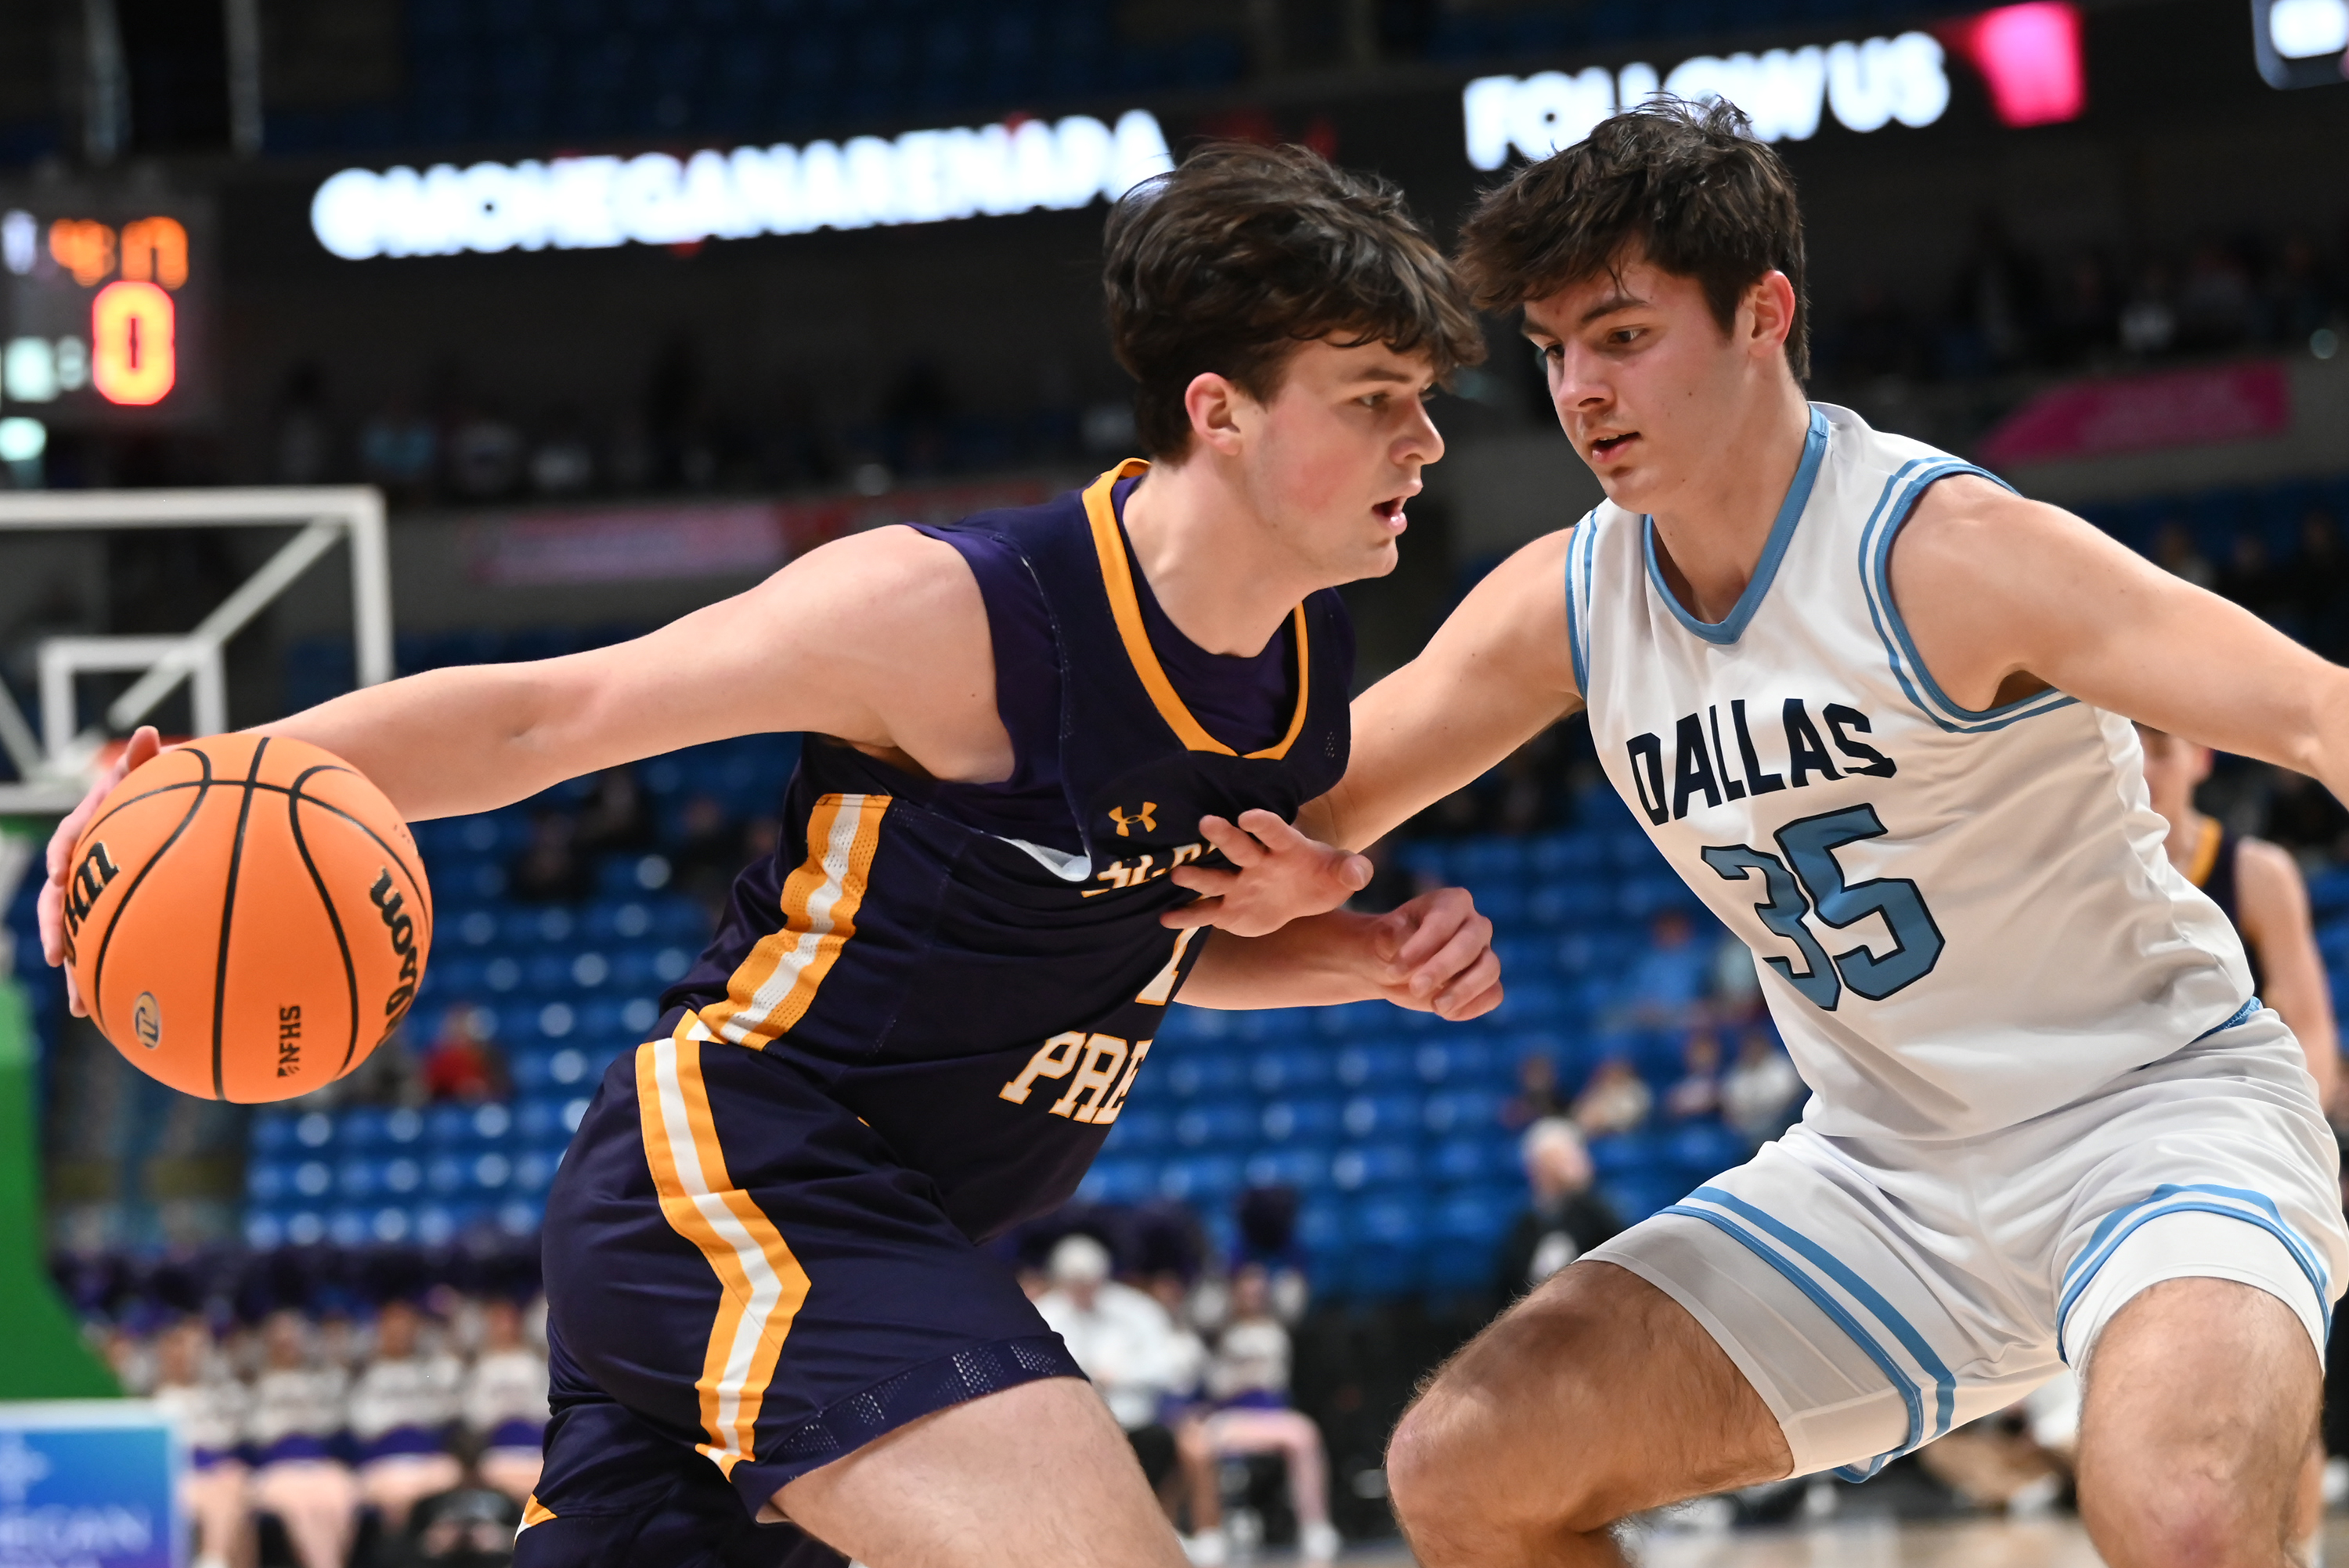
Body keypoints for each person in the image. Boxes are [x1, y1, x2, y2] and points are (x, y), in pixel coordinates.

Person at [43, 143, 1499, 1568]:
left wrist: (1351, 951)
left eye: (1424, 403)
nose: (1423, 442)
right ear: (1220, 412)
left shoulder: (1298, 666)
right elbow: (550, 718)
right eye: (1376, 401)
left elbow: (1124, 942)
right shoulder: (956, 614)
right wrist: (194, 792)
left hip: (882, 1223)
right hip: (744, 1173)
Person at [1173, 100, 2349, 1566]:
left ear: (1763, 314)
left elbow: (2317, 712)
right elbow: (1296, 814)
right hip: (1883, 1171)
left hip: (2153, 1121)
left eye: (1620, 334)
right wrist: (1291, 870)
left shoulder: (1943, 551)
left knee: (2179, 1516)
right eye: (1552, 352)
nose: (1581, 389)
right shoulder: (1568, 599)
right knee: (1463, 1464)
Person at [2137, 725, 2339, 1105]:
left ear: (2201, 758)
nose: (2143, 769)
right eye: (2128, 750)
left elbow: (2313, 1034)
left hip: (2235, 1105)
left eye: (2162, 751)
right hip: (2122, 1113)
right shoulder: (2080, 876)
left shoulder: (2258, 874)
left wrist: (2294, 1131)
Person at [1191, 1264, 1341, 1567]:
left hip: (1272, 1414)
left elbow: (1295, 1292)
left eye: (1259, 1290)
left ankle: (1315, 1525)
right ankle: (1209, 1531)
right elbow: (1214, 1380)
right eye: (1246, 1290)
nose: (1253, 1296)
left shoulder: (1276, 1325)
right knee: (1202, 1444)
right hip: (1232, 1413)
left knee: (1305, 1434)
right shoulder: (1219, 1329)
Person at [1032, 1235, 1190, 1504]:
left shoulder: (1138, 1310)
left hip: (1136, 1421)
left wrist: (1120, 1376)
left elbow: (1170, 1368)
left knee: (1161, 1444)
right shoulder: (1046, 1313)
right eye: (1075, 1284)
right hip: (1071, 1421)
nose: (1083, 1291)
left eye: (1089, 1283)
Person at [245, 1312, 363, 1568]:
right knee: (301, 1507)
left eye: (293, 1341)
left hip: (318, 1465)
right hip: (275, 1470)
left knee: (340, 1492)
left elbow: (340, 1424)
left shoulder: (320, 1382)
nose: (288, 1347)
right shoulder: (252, 1386)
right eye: (281, 1342)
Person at [350, 1298, 467, 1532]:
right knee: (398, 1492)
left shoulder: (424, 1371)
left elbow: (446, 1405)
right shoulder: (366, 1373)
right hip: (384, 1462)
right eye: (392, 1329)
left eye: (406, 1329)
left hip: (426, 1460)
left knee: (450, 1475)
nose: (400, 1335)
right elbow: (361, 1426)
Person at [152, 1319, 255, 1568]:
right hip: (177, 1479)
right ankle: (214, 1559)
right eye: (179, 1352)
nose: (187, 1358)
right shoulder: (155, 1401)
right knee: (229, 1497)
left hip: (215, 1476)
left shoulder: (214, 1396)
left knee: (234, 1485)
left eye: (194, 1352)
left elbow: (228, 1437)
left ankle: (213, 1559)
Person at [1496, 1118, 1621, 1296]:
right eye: (1561, 1159)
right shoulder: (1524, 1224)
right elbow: (1508, 1283)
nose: (1573, 1165)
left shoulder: (1596, 1213)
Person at [464, 1295, 552, 1505]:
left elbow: (548, 1407)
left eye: (509, 1320)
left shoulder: (534, 1363)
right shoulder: (480, 1367)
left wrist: (519, 1409)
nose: (504, 1327)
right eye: (498, 1322)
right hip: (496, 1451)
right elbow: (473, 1415)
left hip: (534, 1449)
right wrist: (504, 1411)